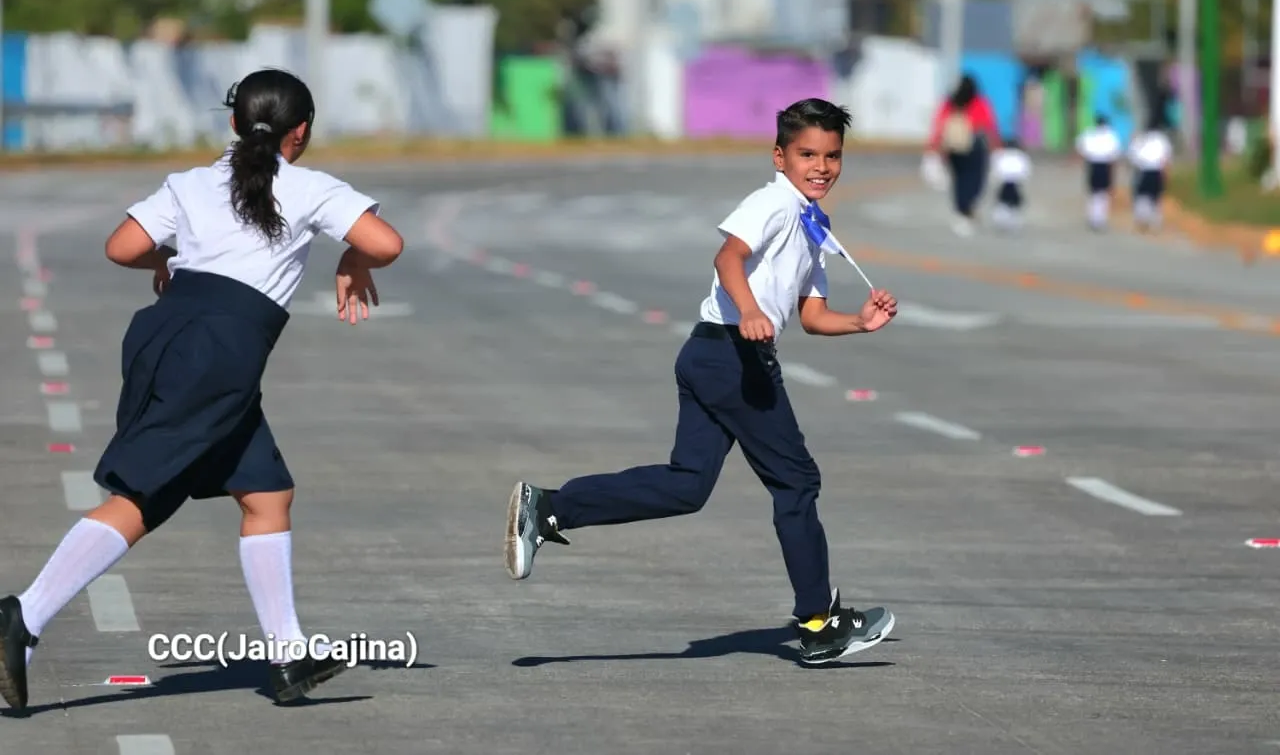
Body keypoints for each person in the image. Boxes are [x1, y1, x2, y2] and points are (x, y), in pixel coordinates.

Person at [0, 68, 404, 711]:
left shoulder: (189, 184)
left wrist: (163, 260)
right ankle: (22, 617)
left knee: (268, 494)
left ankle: (288, 656)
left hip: (171, 337)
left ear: (233, 122)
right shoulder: (306, 187)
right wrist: (352, 260)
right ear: (300, 134)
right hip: (218, 354)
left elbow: (121, 246)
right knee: (141, 498)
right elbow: (385, 242)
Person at [504, 98, 899, 666]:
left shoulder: (813, 222)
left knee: (687, 486)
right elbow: (728, 258)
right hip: (734, 354)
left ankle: (550, 508)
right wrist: (750, 313)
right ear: (779, 156)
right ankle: (819, 622)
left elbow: (812, 315)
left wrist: (860, 322)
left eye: (832, 155)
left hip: (711, 355)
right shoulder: (773, 203)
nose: (821, 166)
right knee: (795, 481)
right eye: (807, 154)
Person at [928, 74, 1002, 237]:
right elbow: (990, 126)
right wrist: (996, 148)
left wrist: (934, 150)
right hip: (974, 148)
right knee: (974, 181)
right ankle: (965, 211)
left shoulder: (950, 102)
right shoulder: (979, 102)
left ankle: (962, 211)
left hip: (953, 148)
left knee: (960, 181)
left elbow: (939, 125)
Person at [1074, 114, 1122, 231]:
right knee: (1104, 194)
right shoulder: (1111, 135)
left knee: (1093, 193)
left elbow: (1080, 148)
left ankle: (1093, 217)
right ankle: (1101, 218)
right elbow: (1115, 154)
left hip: (1093, 164)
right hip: (1105, 164)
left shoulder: (1089, 133)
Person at [1127, 115, 1174, 233]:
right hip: (1156, 170)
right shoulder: (1162, 140)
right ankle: (1156, 222)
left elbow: (1133, 156)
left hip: (1143, 170)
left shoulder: (1140, 139)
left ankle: (1143, 220)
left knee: (1141, 196)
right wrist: (1166, 173)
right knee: (1155, 197)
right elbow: (1166, 158)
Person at [989, 136, 1031, 233]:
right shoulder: (1021, 156)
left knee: (1003, 202)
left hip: (1005, 182)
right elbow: (1026, 172)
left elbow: (995, 171)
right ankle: (1012, 220)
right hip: (1015, 183)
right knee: (1015, 203)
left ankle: (1004, 220)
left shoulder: (999, 155)